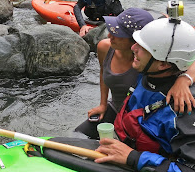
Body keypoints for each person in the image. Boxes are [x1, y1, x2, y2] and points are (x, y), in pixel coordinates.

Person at [95, 14, 195, 172]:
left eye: (141, 47)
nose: (133, 47)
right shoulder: (149, 69)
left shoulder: (184, 107)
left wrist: (133, 158)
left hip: (143, 170)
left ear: (164, 63)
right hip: (123, 147)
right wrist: (186, 76)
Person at [75, 8, 195, 138]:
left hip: (140, 116)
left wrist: (184, 79)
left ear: (135, 40)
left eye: (117, 33)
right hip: (117, 108)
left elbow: (185, 58)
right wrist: (103, 104)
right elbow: (103, 73)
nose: (109, 35)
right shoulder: (105, 47)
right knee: (78, 135)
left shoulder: (148, 61)